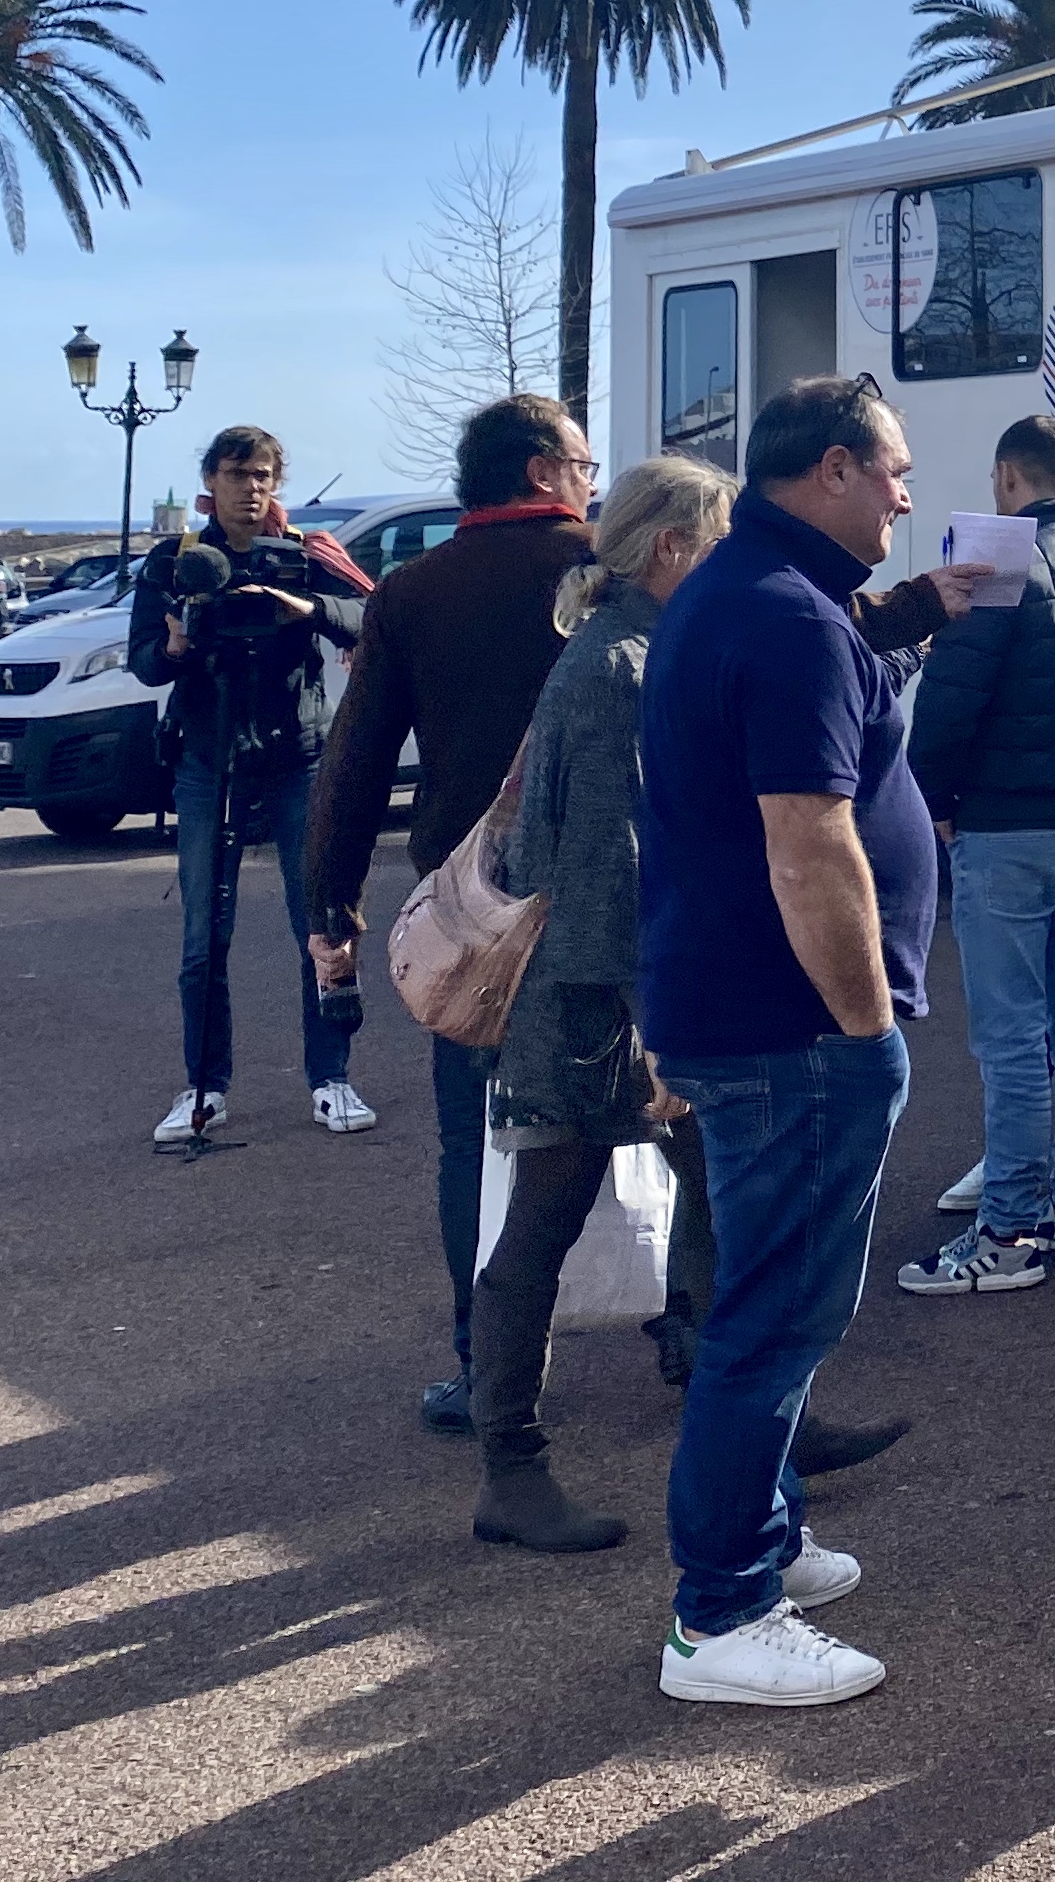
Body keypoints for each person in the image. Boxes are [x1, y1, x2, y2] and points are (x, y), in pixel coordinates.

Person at [639, 376, 933, 1708]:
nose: (905, 498)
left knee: (774, 1307)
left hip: (748, 1013)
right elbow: (810, 846)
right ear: (828, 470)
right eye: (892, 473)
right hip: (792, 1027)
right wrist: (866, 1026)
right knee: (773, 1316)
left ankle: (761, 1544)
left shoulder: (749, 593)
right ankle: (721, 1614)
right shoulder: (786, 616)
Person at [305, 393, 601, 1427]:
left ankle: (487, 1368)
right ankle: (688, 1330)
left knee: (474, 1142)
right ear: (539, 472)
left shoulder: (413, 590)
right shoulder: (608, 569)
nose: (592, 474)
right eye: (581, 459)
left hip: (473, 913)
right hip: (614, 891)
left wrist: (329, 913)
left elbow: (353, 765)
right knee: (657, 1116)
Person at [468, 455, 731, 1558]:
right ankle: (512, 1471)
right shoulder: (619, 667)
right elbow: (603, 870)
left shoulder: (620, 650)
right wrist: (656, 1016)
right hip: (591, 1003)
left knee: (712, 1188)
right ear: (669, 547)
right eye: (714, 541)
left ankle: (751, 1413)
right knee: (544, 1224)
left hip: (596, 993)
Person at [898, 416, 1055, 1297]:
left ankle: (1008, 1228)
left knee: (1012, 1036)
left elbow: (947, 702)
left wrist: (930, 803)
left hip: (1005, 827)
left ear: (1008, 474)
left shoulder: (999, 559)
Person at [132, 423, 371, 1152]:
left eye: (264, 474)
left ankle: (331, 1078)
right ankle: (204, 1087)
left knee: (323, 926)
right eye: (238, 474)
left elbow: (374, 617)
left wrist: (308, 608)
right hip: (208, 760)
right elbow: (145, 662)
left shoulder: (304, 558)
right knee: (205, 937)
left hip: (298, 757)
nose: (252, 487)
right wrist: (174, 645)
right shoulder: (176, 565)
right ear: (212, 482)